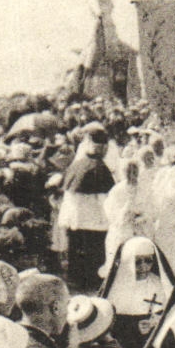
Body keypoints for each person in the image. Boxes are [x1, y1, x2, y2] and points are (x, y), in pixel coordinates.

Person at [59, 125, 115, 291]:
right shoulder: (99, 168)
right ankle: (91, 281)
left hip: (75, 219)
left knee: (76, 251)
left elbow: (68, 196)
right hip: (94, 220)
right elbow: (105, 198)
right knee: (94, 252)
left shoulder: (77, 165)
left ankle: (75, 280)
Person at [99, 237, 175, 348]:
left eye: (148, 260)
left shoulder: (159, 283)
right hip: (126, 343)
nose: (143, 266)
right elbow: (109, 326)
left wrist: (157, 321)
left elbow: (170, 313)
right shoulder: (117, 287)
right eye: (137, 262)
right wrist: (134, 328)